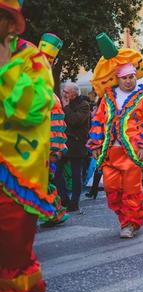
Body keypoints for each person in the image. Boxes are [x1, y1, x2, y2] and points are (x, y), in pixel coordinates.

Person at [0, 1, 56, 292]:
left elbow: (32, 109)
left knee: (12, 255)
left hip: (15, 179)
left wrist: (3, 65)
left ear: (10, 24)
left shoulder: (31, 58)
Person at [87, 33, 143, 238]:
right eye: (125, 78)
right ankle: (124, 218)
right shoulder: (108, 98)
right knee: (112, 189)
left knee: (131, 190)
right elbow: (99, 122)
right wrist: (94, 145)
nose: (129, 81)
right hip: (111, 152)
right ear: (117, 78)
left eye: (131, 77)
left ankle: (130, 222)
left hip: (133, 153)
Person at [38, 33, 70, 227]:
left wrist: (55, 149)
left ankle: (54, 212)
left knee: (44, 181)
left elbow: (56, 126)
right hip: (30, 149)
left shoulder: (51, 98)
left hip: (43, 150)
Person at [54, 82, 90, 212]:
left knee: (76, 174)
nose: (64, 94)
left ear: (74, 93)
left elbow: (75, 121)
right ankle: (64, 199)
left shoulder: (84, 105)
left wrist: (67, 106)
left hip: (77, 145)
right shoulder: (62, 104)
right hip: (63, 143)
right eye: (63, 91)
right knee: (57, 172)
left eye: (67, 92)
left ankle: (74, 203)